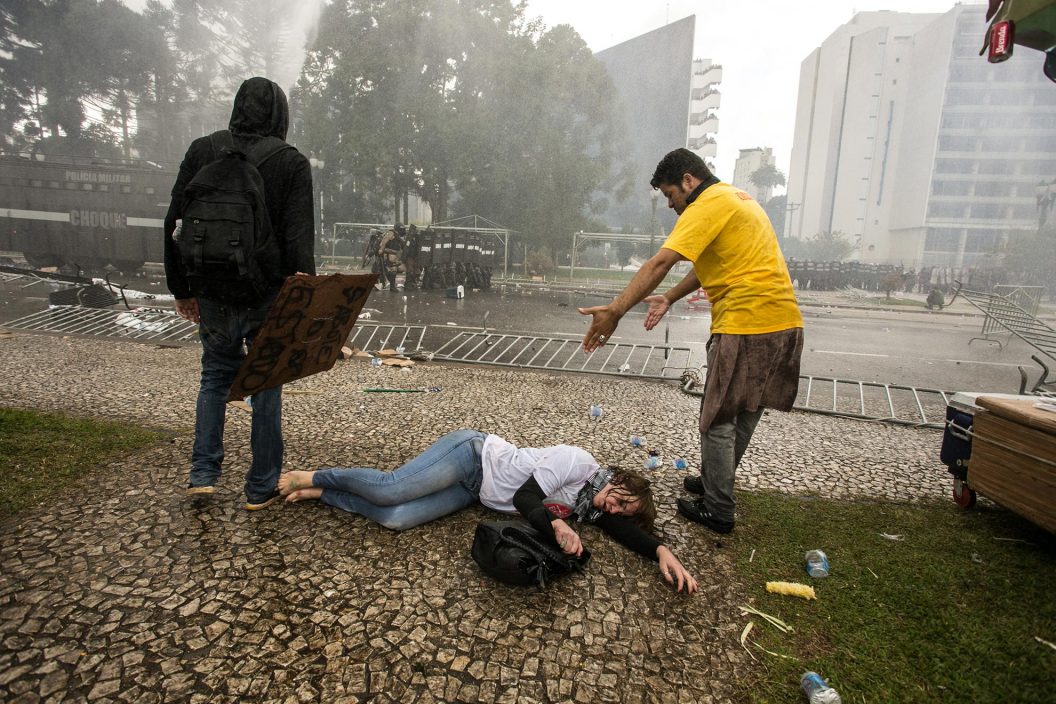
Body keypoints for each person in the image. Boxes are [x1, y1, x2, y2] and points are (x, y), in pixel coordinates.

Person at [579, 148, 803, 535]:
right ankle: (717, 479)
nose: (670, 205)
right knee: (746, 411)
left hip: (745, 325)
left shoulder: (706, 204)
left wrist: (616, 310)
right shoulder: (737, 199)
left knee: (717, 418)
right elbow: (707, 267)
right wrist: (669, 297)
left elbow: (660, 263)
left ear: (688, 181)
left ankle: (718, 509)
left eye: (670, 195)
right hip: (784, 323)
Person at [277, 429, 698, 593]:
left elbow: (626, 533)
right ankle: (316, 475)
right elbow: (525, 498)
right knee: (392, 490)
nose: (615, 508)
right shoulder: (578, 462)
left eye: (623, 511)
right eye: (622, 498)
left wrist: (660, 550)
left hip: (472, 492)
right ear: (620, 479)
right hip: (473, 457)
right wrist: (555, 524)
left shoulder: (591, 508)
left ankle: (325, 496)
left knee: (395, 519)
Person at [164, 77, 316, 510]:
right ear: (279, 115)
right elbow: (298, 241)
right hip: (266, 295)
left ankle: (203, 473)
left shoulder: (203, 150)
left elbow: (174, 222)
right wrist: (302, 303)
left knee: (214, 378)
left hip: (211, 291)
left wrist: (182, 289)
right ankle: (259, 486)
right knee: (265, 386)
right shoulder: (289, 162)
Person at [377, 224, 406, 291]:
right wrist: (381, 249)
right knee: (394, 268)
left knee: (401, 268)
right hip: (389, 253)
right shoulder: (391, 233)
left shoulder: (397, 235)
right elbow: (384, 241)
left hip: (395, 254)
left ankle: (389, 277)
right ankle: (392, 286)